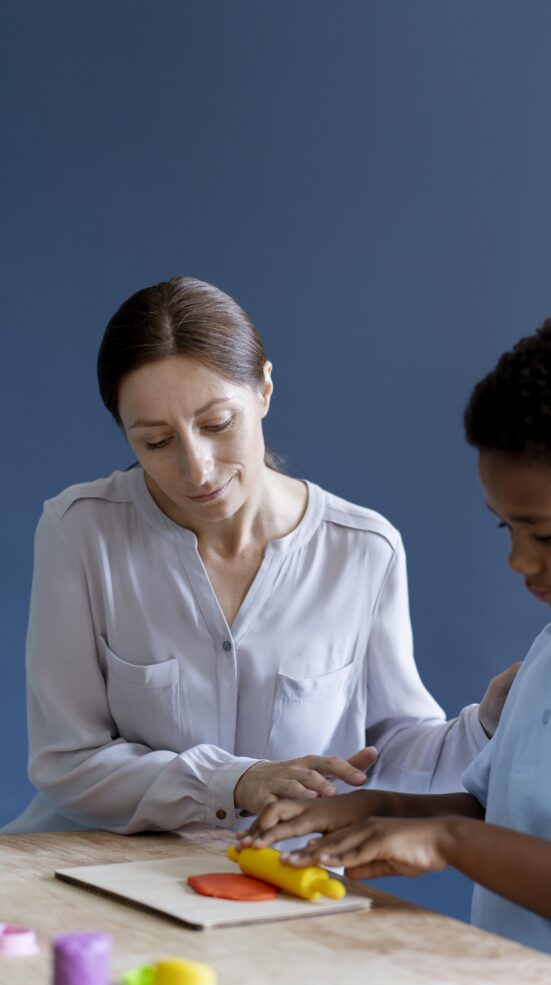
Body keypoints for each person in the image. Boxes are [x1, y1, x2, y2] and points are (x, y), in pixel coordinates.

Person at [239, 309, 551, 985]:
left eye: (541, 532)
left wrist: (450, 844)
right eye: (504, 527)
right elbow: (491, 811)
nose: (516, 560)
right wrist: (371, 809)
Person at [2, 276, 516, 836]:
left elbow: (391, 752)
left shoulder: (364, 549)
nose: (196, 469)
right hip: (85, 881)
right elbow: (66, 761)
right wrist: (235, 782)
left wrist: (484, 726)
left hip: (269, 890)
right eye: (155, 441)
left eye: (218, 425)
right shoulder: (79, 529)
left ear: (264, 390)